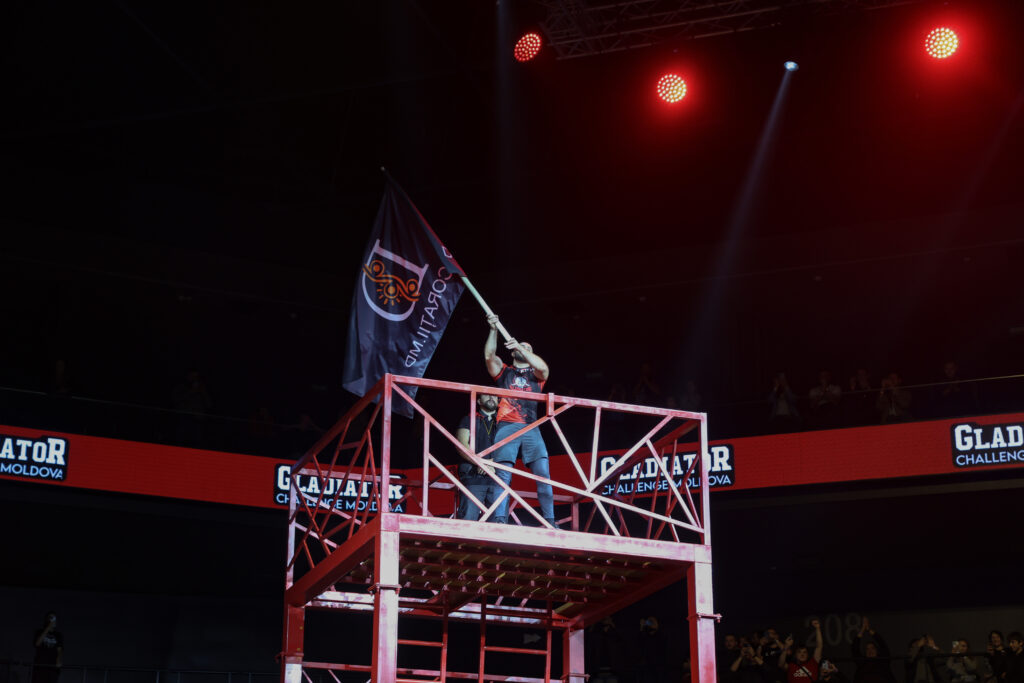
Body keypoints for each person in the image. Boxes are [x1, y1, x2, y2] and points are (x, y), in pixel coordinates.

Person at [484, 314, 555, 526]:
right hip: (507, 425)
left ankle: (549, 520)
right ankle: (499, 519)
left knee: (543, 474)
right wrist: (493, 329)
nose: (522, 348)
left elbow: (544, 368)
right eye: (519, 346)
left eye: (527, 347)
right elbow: (489, 356)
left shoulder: (536, 375)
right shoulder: (505, 371)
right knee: (503, 475)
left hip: (531, 427)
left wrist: (522, 348)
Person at [455, 393, 500, 521]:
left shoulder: (504, 422)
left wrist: (491, 463)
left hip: (498, 478)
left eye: (495, 396)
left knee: (498, 523)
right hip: (473, 476)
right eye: (487, 395)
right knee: (469, 519)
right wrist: (481, 463)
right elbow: (461, 445)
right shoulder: (468, 419)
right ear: (479, 401)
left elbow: (510, 448)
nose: (491, 397)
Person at [851, 617, 895, 683]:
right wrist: (862, 630)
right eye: (867, 649)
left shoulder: (883, 661)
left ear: (877, 650)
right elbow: (855, 649)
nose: (870, 651)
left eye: (872, 648)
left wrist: (868, 629)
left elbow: (882, 643)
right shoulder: (862, 663)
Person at [33, 612, 63, 683]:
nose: (52, 620)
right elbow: (37, 644)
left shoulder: (58, 635)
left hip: (52, 667)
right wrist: (48, 628)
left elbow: (60, 650)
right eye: (50, 617)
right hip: (40, 665)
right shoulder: (39, 632)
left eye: (54, 618)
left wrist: (58, 660)